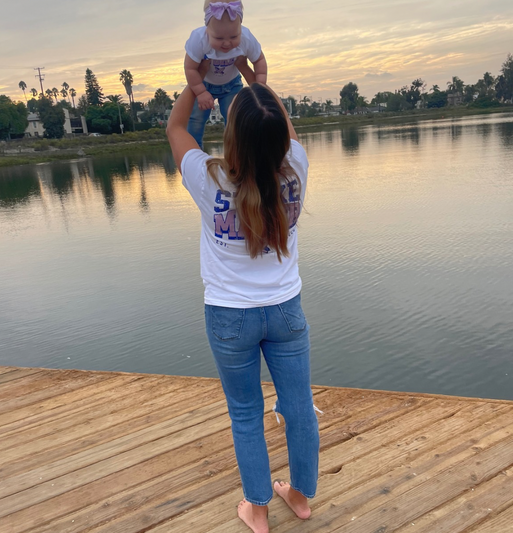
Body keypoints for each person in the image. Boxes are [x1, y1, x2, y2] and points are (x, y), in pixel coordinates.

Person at [167, 83, 319, 533]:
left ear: (232, 137)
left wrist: (196, 79)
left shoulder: (207, 177)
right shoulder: (296, 168)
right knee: (299, 407)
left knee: (246, 413)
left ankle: (257, 509)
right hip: (286, 311)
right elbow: (281, 126)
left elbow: (176, 128)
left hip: (230, 317)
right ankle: (300, 496)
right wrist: (257, 78)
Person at [184, 0, 267, 148]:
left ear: (240, 28)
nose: (227, 43)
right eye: (219, 38)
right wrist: (200, 91)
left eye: (234, 37)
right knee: (195, 121)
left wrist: (260, 86)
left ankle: (235, 156)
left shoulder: (246, 38)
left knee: (235, 121)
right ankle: (194, 155)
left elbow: (259, 60)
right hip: (203, 84)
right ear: (207, 29)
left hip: (232, 85)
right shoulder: (198, 39)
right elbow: (190, 68)